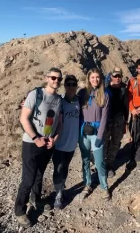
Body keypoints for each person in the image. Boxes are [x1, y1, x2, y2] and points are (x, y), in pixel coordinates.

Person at [15, 67, 63, 228]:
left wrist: (54, 139)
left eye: (58, 79)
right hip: (31, 143)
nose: (56, 81)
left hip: (47, 144)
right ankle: (20, 211)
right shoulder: (35, 94)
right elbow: (24, 118)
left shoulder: (59, 99)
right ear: (46, 78)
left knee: (39, 175)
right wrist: (36, 138)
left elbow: (60, 124)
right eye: (53, 78)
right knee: (28, 179)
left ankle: (36, 200)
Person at [78, 68, 110, 200]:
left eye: (97, 77)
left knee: (99, 162)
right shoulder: (82, 94)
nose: (95, 79)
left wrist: (100, 136)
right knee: (85, 160)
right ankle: (87, 184)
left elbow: (104, 117)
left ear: (100, 78)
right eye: (92, 77)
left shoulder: (104, 95)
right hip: (84, 132)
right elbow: (77, 111)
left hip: (97, 132)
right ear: (88, 79)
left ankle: (104, 187)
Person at [52, 75, 80, 209]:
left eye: (73, 84)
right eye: (68, 84)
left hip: (72, 144)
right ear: (65, 86)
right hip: (58, 144)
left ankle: (61, 188)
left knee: (65, 168)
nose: (70, 87)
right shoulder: (59, 101)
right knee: (58, 168)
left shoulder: (79, 101)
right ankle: (58, 194)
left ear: (76, 86)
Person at [103, 67, 128, 178]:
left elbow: (126, 107)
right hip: (106, 121)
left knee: (115, 143)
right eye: (115, 76)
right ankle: (101, 164)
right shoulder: (105, 89)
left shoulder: (124, 89)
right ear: (111, 77)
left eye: (119, 76)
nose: (117, 78)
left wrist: (126, 122)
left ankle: (109, 165)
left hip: (119, 121)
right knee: (103, 143)